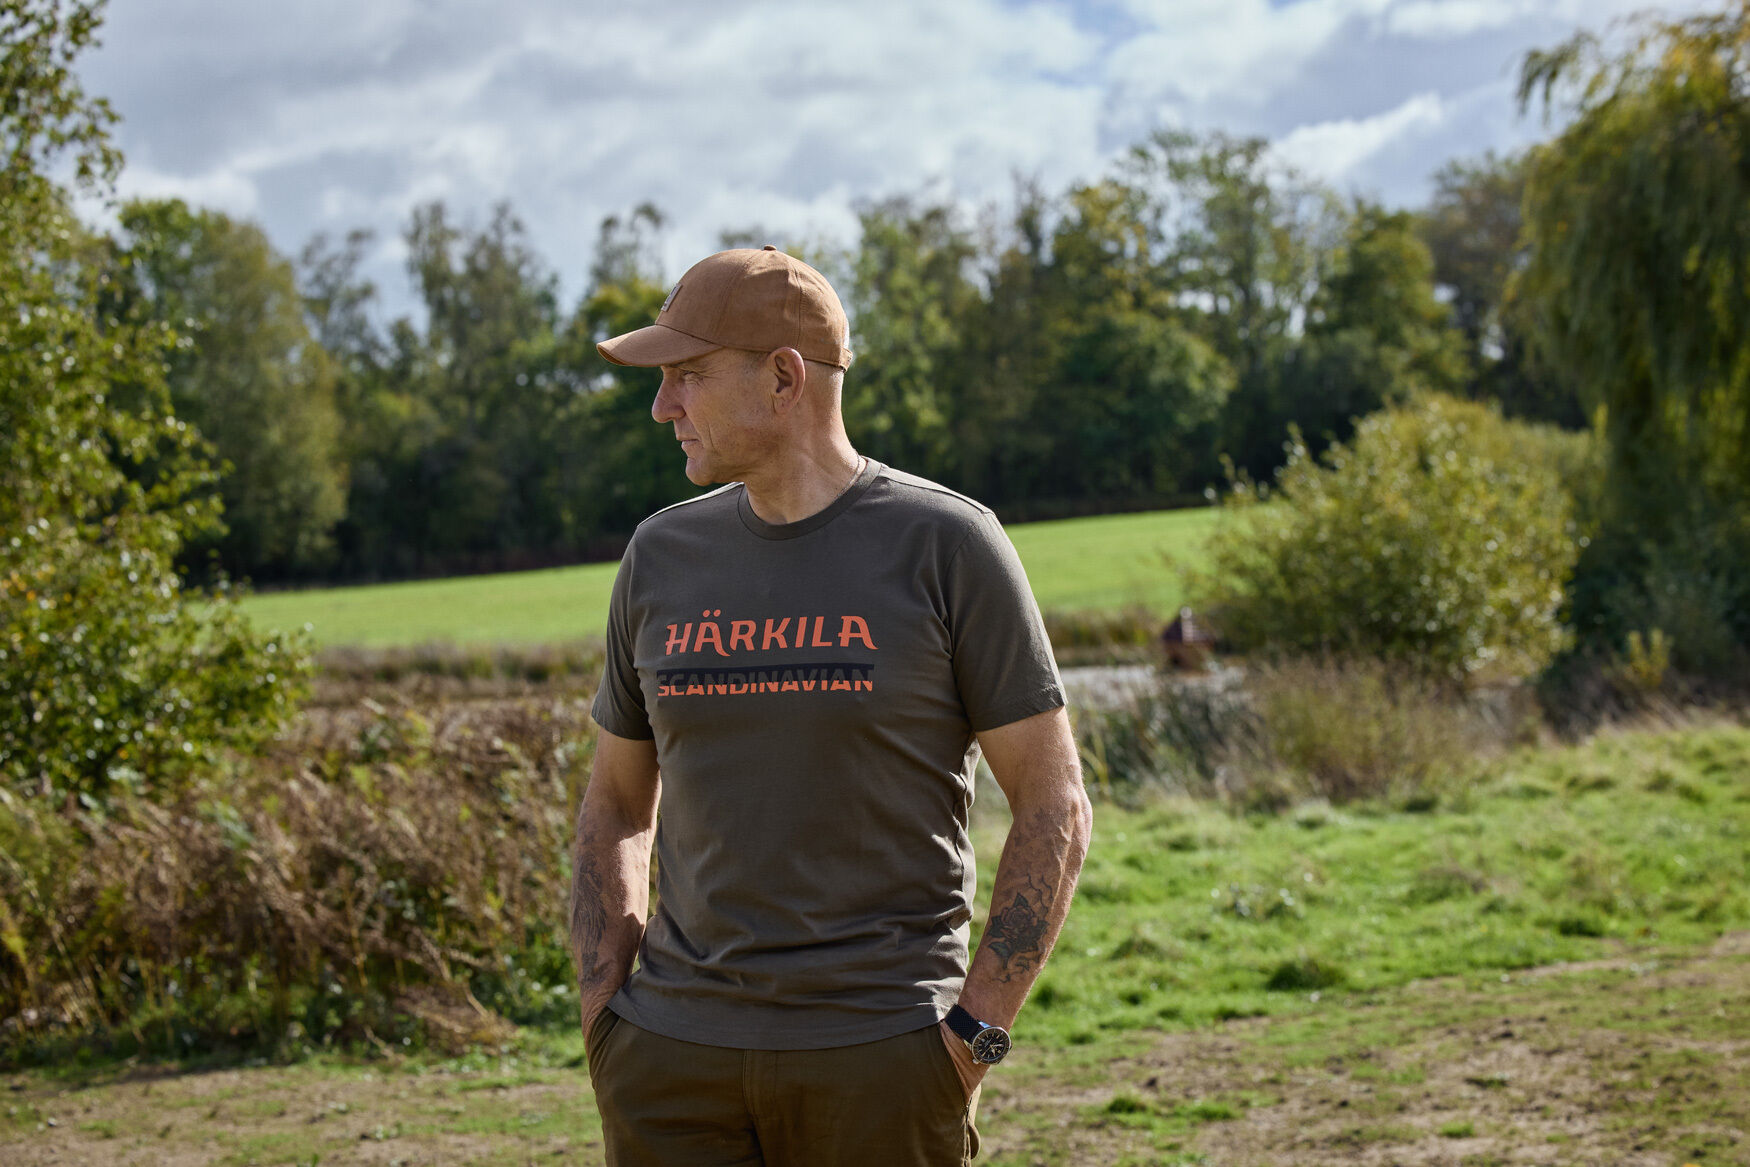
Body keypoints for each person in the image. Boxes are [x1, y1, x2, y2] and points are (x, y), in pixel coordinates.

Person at [569, 245, 1092, 1167]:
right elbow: (615, 803)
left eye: (686, 375)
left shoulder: (948, 545)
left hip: (881, 1061)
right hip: (670, 1063)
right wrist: (605, 1017)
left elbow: (1054, 804)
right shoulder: (659, 557)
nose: (663, 406)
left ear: (784, 378)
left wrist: (974, 1039)